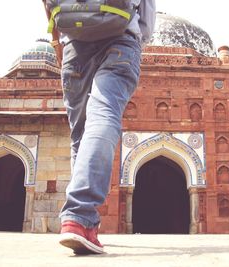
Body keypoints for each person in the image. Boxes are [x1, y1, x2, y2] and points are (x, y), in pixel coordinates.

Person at [43, 0, 156, 254]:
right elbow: (147, 21)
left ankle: (77, 221)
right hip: (121, 38)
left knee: (80, 135)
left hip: (73, 39)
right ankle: (80, 216)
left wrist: (55, 40)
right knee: (103, 115)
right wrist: (138, 39)